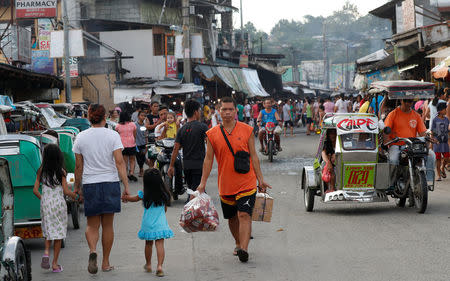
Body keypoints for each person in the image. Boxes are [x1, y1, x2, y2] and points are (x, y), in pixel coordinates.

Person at [197, 96, 271, 263]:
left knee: (244, 214)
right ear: (219, 111)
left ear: (236, 111)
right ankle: (237, 242)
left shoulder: (246, 130)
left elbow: (253, 156)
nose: (228, 112)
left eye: (231, 109)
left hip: (247, 181)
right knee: (232, 218)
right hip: (226, 184)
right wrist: (202, 183)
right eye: (224, 109)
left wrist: (260, 179)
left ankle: (244, 249)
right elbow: (208, 159)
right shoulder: (211, 134)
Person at [73, 104, 130, 274]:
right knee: (107, 225)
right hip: (110, 183)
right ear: (105, 117)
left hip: (91, 184)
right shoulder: (113, 135)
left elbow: (78, 166)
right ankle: (105, 262)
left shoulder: (81, 137)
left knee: (92, 225)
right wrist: (126, 186)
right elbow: (120, 162)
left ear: (89, 117)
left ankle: (93, 251)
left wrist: (77, 187)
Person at [33, 144, 78, 273]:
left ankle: (46, 253)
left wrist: (44, 199)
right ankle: (54, 264)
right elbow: (66, 190)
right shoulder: (61, 171)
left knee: (48, 230)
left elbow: (35, 190)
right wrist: (76, 195)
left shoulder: (41, 170)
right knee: (58, 235)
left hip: (46, 204)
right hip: (58, 204)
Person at [125, 169, 173, 277]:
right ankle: (160, 266)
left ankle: (148, 264)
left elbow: (134, 198)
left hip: (148, 223)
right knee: (159, 244)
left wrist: (125, 197)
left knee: (148, 244)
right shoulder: (164, 194)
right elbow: (165, 209)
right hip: (160, 223)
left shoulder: (144, 194)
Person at [168, 99, 209, 200]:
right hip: (199, 165)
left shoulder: (182, 129)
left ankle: (194, 211)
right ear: (196, 112)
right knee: (195, 195)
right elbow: (210, 144)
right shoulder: (202, 127)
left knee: (192, 189)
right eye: (199, 111)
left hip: (186, 166)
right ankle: (189, 211)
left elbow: (175, 149)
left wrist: (171, 166)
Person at [383, 99, 429, 168]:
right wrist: (387, 141)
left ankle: (428, 178)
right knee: (393, 160)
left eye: (410, 101)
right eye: (405, 101)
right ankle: (394, 178)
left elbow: (423, 133)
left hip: (411, 145)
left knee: (431, 156)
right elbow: (386, 131)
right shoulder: (393, 114)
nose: (408, 103)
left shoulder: (416, 116)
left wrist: (429, 136)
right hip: (396, 145)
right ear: (401, 101)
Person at [116, 111, 138, 182]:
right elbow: (135, 134)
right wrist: (133, 140)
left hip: (122, 145)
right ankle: (131, 173)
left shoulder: (118, 126)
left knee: (124, 161)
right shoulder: (132, 124)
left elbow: (117, 135)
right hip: (132, 144)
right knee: (132, 160)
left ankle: (124, 175)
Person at [431, 102, 449, 181]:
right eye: (445, 109)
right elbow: (432, 132)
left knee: (447, 157)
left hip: (445, 142)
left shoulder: (446, 119)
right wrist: (432, 143)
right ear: (441, 110)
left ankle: (442, 167)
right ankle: (439, 175)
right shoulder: (435, 119)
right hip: (437, 143)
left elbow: (448, 131)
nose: (446, 111)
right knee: (438, 159)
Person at [135, 110, 149, 177]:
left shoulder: (145, 125)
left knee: (142, 156)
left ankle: (141, 170)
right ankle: (142, 168)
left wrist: (147, 145)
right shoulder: (134, 125)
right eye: (141, 115)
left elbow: (146, 135)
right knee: (138, 158)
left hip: (143, 144)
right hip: (136, 144)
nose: (143, 117)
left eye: (144, 116)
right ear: (138, 116)